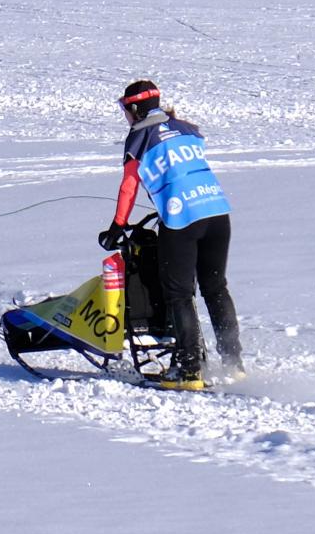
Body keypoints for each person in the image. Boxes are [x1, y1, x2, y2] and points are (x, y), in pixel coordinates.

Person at [97, 80, 243, 390]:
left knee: (178, 294)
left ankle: (188, 371)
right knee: (215, 288)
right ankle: (234, 364)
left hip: (182, 218)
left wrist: (117, 227)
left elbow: (129, 186)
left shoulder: (139, 137)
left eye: (125, 109)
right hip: (217, 210)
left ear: (134, 109)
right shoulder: (186, 128)